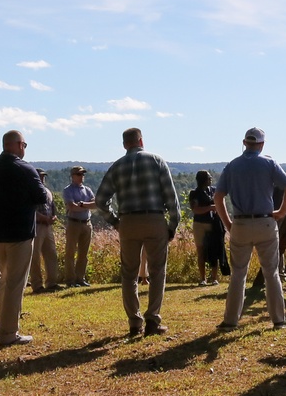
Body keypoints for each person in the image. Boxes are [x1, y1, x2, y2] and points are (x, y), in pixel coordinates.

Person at [95, 127, 181, 336]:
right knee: (157, 270)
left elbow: (100, 200)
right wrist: (172, 225)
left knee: (129, 273)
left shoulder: (117, 166)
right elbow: (171, 197)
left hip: (128, 222)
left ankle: (135, 322)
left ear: (125, 144)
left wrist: (115, 221)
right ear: (141, 141)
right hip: (154, 219)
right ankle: (153, 320)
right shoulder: (157, 161)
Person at [214, 127, 286, 330]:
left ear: (244, 142)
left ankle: (230, 320)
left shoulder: (232, 166)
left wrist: (228, 224)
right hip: (265, 221)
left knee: (238, 273)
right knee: (271, 272)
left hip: (240, 222)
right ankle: (278, 319)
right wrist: (282, 212)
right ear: (262, 144)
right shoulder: (269, 163)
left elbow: (218, 197)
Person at [0, 130, 50, 345]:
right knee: (15, 284)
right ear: (18, 144)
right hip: (20, 232)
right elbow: (42, 197)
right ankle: (9, 333)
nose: (24, 148)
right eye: (24, 144)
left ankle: (0, 326)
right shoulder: (25, 168)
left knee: (5, 281)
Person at [62, 166, 95, 287]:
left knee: (83, 253)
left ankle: (80, 278)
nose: (82, 177)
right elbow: (72, 207)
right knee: (70, 252)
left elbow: (96, 204)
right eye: (79, 174)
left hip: (87, 223)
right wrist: (87, 205)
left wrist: (82, 204)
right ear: (73, 176)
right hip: (73, 223)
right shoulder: (68, 190)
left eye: (82, 174)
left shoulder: (88, 190)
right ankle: (70, 280)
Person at [30, 169, 61, 293]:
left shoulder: (47, 191)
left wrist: (54, 217)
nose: (42, 179)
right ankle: (37, 285)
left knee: (51, 254)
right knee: (35, 256)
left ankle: (52, 283)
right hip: (37, 225)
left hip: (48, 226)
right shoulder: (31, 191)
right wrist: (43, 218)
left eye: (43, 176)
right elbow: (31, 210)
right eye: (40, 176)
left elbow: (52, 207)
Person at [188, 170, 219, 286]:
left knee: (214, 250)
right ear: (203, 180)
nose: (211, 179)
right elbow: (195, 210)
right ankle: (203, 278)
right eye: (208, 178)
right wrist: (210, 208)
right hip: (199, 224)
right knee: (200, 251)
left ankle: (214, 278)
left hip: (212, 223)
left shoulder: (214, 191)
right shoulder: (194, 193)